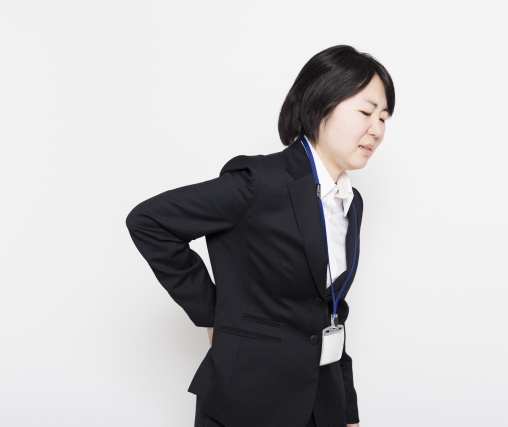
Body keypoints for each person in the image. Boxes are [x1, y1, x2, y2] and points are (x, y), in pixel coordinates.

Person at [125, 44, 395, 427]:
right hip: (248, 402)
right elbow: (150, 221)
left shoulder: (351, 202)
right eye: (366, 112)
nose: (377, 130)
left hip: (323, 406)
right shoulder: (259, 184)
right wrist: (213, 314)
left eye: (384, 117)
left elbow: (330, 310)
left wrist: (346, 410)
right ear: (321, 104)